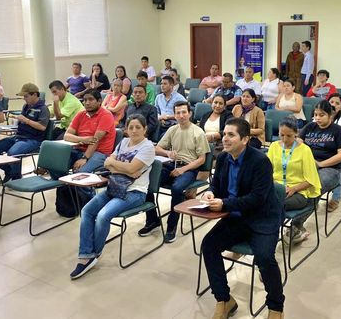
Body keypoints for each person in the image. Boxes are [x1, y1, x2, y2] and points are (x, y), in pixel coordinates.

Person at [200, 117, 285, 319]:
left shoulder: (260, 161)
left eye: (231, 135)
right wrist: (210, 192)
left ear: (245, 139)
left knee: (264, 258)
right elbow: (216, 184)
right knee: (208, 245)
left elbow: (257, 199)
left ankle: (276, 308)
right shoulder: (223, 158)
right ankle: (224, 300)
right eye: (224, 134)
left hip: (262, 218)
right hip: (236, 217)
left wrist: (225, 204)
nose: (225, 138)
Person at [70, 114, 154, 280]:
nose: (134, 130)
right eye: (131, 127)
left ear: (145, 129)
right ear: (126, 129)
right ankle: (87, 253)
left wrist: (118, 166)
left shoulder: (148, 147)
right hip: (115, 187)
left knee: (103, 215)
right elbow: (108, 164)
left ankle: (91, 255)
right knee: (87, 211)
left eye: (138, 127)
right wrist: (123, 168)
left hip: (135, 192)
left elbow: (127, 168)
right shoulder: (123, 142)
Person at [138, 101, 210, 243]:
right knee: (147, 182)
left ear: (190, 113)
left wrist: (182, 169)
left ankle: (171, 226)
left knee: (177, 189)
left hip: (189, 168)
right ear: (175, 115)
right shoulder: (172, 129)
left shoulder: (198, 132)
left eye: (184, 112)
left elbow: (202, 159)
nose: (181, 115)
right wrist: (167, 153)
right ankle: (152, 221)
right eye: (178, 113)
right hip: (172, 165)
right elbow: (157, 148)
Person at [267, 116, 321, 244]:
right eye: (281, 135)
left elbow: (311, 180)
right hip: (276, 187)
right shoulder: (274, 146)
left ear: (296, 134)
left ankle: (270, 235)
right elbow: (266, 171)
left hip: (298, 192)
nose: (285, 139)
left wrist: (294, 188)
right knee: (260, 200)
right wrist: (274, 185)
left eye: (289, 136)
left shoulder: (304, 150)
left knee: (272, 204)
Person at [0, 83, 49, 183]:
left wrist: (26, 120)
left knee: (13, 153)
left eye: (26, 96)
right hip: (19, 136)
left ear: (35, 95)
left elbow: (42, 127)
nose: (24, 98)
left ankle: (16, 178)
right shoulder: (26, 106)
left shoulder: (43, 109)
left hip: (32, 139)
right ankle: (9, 171)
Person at [299, 101, 341, 208]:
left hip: (331, 169)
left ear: (330, 115)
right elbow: (298, 143)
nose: (317, 118)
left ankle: (303, 215)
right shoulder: (310, 127)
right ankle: (302, 205)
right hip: (308, 164)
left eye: (321, 115)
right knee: (294, 182)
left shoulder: (338, 131)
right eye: (315, 115)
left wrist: (320, 164)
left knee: (314, 185)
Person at [64, 89, 116, 174]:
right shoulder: (81, 114)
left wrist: (84, 158)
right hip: (79, 150)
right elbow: (66, 136)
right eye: (85, 100)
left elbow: (94, 141)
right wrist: (83, 139)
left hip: (99, 153)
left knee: (80, 173)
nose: (87, 103)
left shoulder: (106, 115)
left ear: (99, 101)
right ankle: (63, 183)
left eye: (91, 99)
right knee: (57, 165)